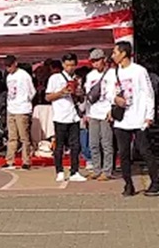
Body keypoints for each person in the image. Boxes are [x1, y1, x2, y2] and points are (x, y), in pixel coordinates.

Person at [109, 41, 158, 196]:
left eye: (115, 52)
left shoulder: (139, 71)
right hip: (122, 119)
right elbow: (110, 94)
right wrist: (116, 100)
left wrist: (149, 116)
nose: (112, 55)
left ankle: (155, 182)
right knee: (123, 153)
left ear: (123, 53)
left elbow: (149, 94)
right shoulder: (114, 72)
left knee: (144, 150)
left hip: (139, 117)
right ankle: (128, 185)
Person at [46, 53, 86, 182]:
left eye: (72, 65)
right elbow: (48, 97)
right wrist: (61, 92)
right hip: (60, 116)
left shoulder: (77, 78)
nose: (70, 68)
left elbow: (81, 98)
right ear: (63, 65)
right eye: (67, 65)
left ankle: (75, 171)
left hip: (74, 116)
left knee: (75, 145)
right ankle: (59, 170)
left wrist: (79, 94)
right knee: (60, 145)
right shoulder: (55, 78)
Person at [85, 50, 115, 181]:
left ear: (104, 59)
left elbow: (115, 93)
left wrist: (112, 110)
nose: (95, 63)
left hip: (106, 112)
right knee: (93, 143)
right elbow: (88, 96)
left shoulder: (112, 74)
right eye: (93, 61)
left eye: (97, 60)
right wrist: (87, 113)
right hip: (93, 112)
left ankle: (107, 171)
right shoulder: (90, 75)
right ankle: (96, 169)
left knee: (107, 143)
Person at [2, 55, 36, 170]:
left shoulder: (24, 75)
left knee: (24, 137)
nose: (8, 69)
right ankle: (10, 160)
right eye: (6, 67)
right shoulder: (8, 77)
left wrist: (25, 101)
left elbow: (32, 91)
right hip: (11, 108)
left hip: (22, 109)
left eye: (9, 66)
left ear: (15, 64)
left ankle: (26, 161)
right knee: (12, 137)